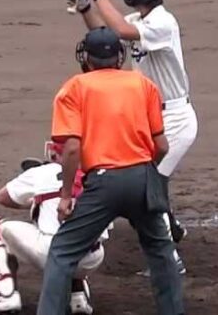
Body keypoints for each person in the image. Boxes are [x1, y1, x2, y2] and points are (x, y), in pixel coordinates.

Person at [37, 27, 183, 315]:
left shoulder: (74, 89)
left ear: (86, 58)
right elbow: (162, 146)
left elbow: (71, 150)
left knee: (63, 252)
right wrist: (142, 168)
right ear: (119, 56)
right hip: (143, 177)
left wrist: (66, 196)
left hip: (104, 183)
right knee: (161, 251)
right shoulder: (143, 85)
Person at [69, 0, 197, 263]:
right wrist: (86, 7)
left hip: (175, 119)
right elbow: (107, 36)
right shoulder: (139, 20)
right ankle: (172, 227)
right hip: (151, 116)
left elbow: (123, 33)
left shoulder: (163, 22)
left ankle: (169, 260)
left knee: (150, 185)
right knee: (147, 180)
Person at [0, 142, 108, 314]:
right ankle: (78, 298)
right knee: (80, 237)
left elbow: (2, 197)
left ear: (56, 155)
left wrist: (38, 201)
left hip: (52, 253)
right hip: (93, 258)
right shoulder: (99, 176)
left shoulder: (42, 172)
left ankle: (6, 296)